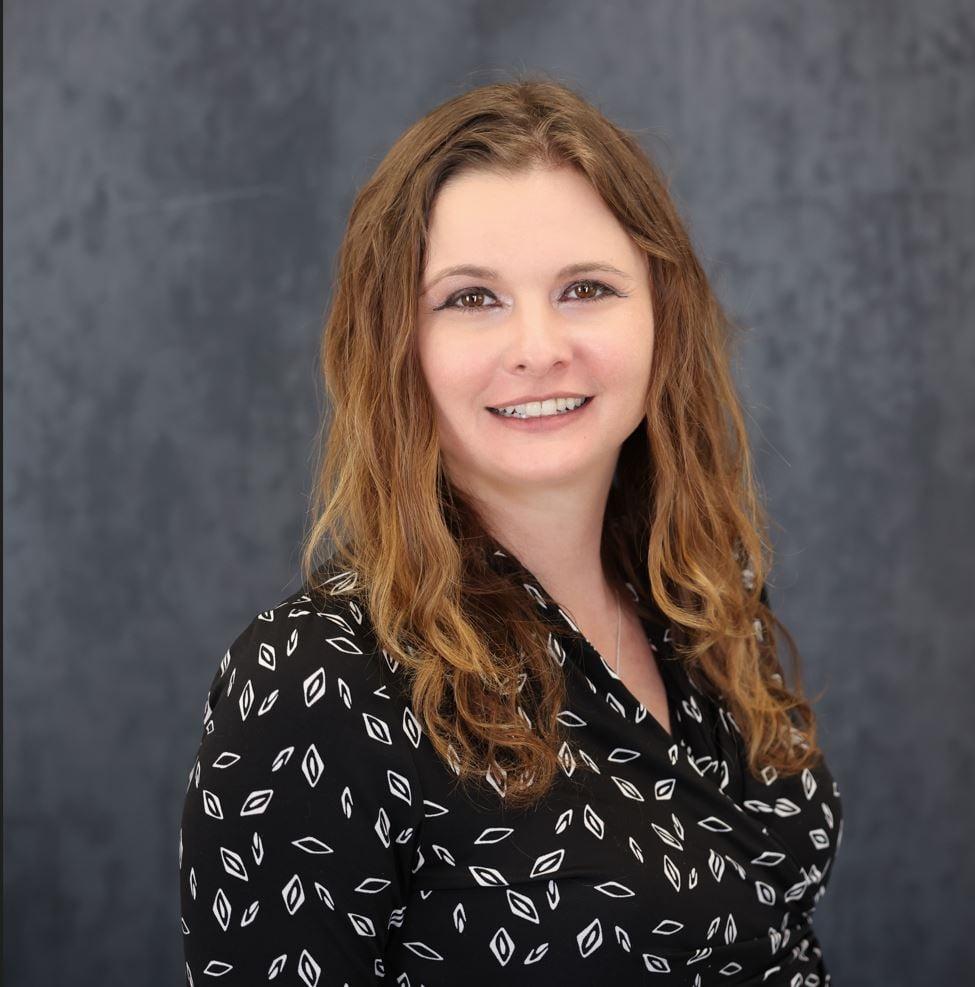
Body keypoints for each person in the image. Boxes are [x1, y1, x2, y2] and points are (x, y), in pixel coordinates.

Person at [178, 76, 843, 986]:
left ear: (660, 317)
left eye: (584, 287)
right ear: (395, 345)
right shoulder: (314, 679)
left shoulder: (702, 589)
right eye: (470, 299)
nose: (536, 345)